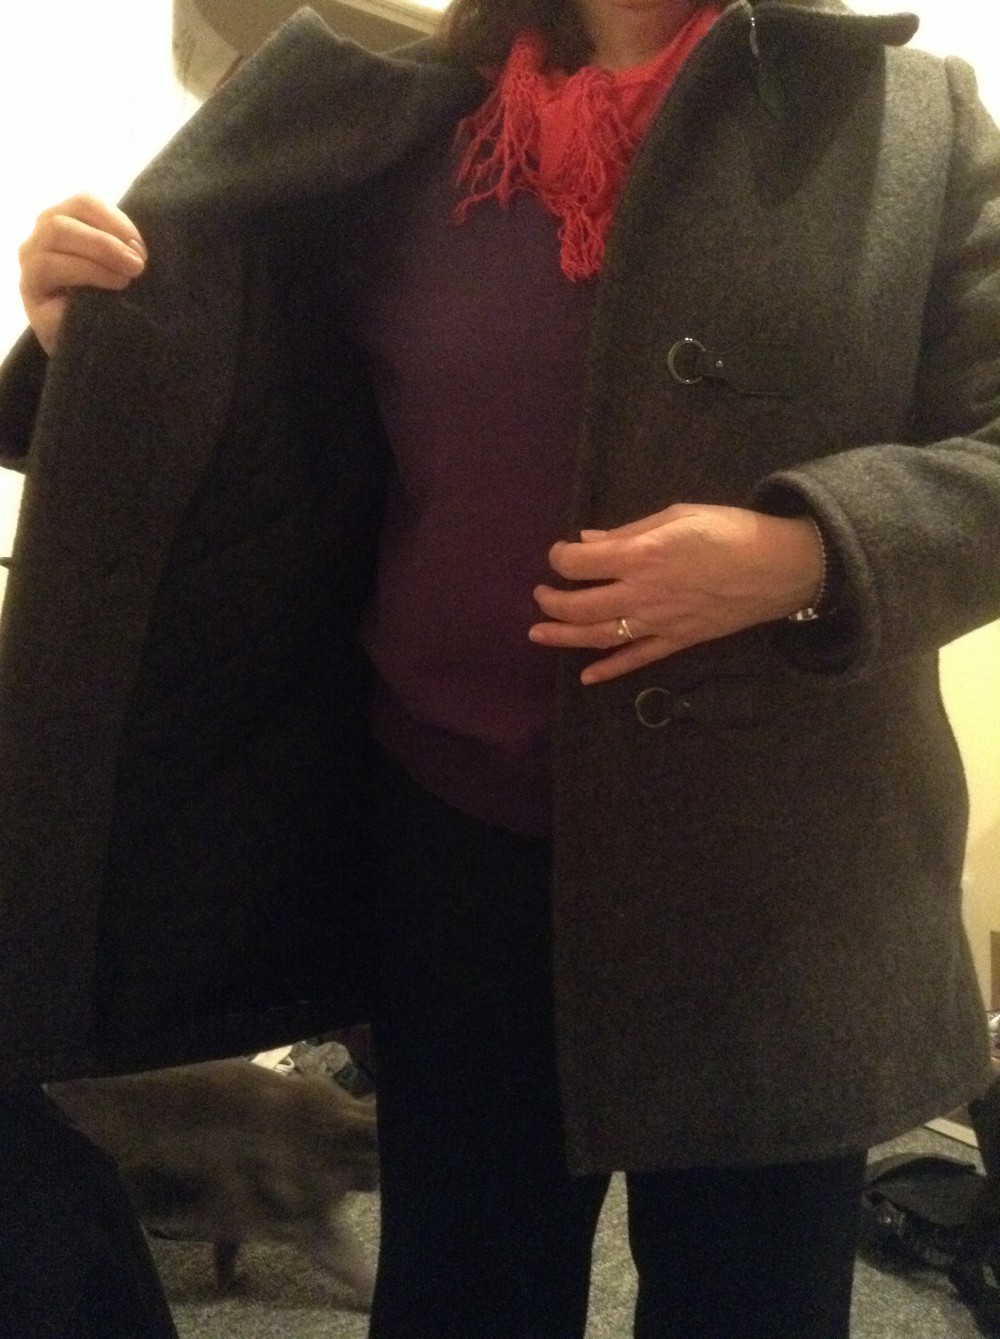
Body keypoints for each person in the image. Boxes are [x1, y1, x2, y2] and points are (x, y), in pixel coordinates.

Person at [3, 0, 1000, 1334]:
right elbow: (262, 411)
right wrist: (99, 338)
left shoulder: (911, 122)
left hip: (782, 881)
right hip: (453, 854)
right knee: (465, 1290)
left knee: (752, 1301)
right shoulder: (403, 128)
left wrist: (809, 553)